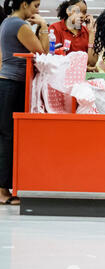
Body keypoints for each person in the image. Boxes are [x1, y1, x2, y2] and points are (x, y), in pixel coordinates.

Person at [0, 0, 49, 205]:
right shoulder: (19, 25)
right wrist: (44, 27)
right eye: (35, 5)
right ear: (24, 4)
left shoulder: (7, 22)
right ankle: (3, 190)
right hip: (13, 84)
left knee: (8, 135)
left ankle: (7, 186)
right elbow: (42, 53)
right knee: (8, 137)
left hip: (10, 83)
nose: (37, 10)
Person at [48, 0, 96, 66]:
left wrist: (91, 33)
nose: (81, 15)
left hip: (82, 74)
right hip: (61, 73)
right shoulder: (55, 28)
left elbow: (92, 62)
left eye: (84, 12)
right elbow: (54, 58)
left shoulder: (87, 32)